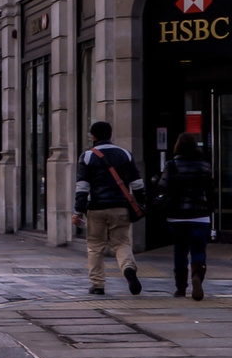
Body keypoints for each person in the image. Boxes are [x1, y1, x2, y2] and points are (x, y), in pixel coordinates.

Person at [75, 120, 146, 296]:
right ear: (110, 135)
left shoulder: (87, 156)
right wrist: (141, 202)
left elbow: (83, 186)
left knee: (95, 246)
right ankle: (128, 268)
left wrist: (78, 210)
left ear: (93, 136)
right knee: (121, 242)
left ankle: (97, 284)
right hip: (120, 207)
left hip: (96, 208)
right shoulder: (125, 154)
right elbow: (137, 183)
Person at [154, 133, 218, 300]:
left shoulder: (172, 165)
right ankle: (197, 274)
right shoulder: (205, 166)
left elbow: (163, 187)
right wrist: (210, 208)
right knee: (198, 250)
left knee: (180, 251)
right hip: (200, 215)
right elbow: (211, 191)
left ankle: (180, 288)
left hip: (177, 216)